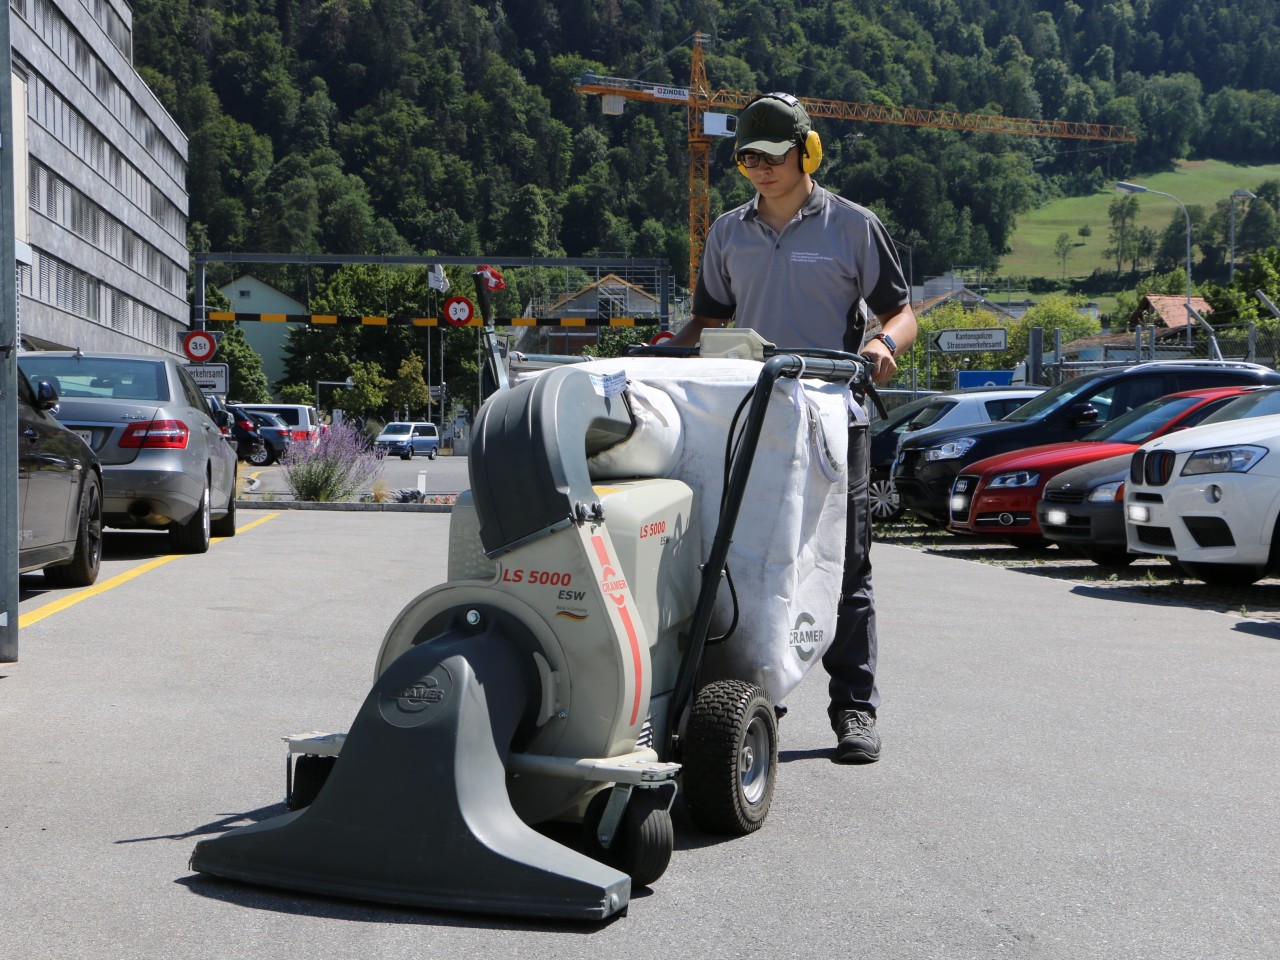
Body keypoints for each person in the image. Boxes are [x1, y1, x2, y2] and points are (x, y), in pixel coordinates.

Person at [669, 92, 918, 764]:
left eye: (773, 156)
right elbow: (708, 320)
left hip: (835, 419)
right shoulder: (728, 232)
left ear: (807, 152)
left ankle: (855, 710)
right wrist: (667, 348)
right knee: (746, 560)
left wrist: (884, 345)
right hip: (752, 422)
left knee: (846, 568)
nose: (760, 168)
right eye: (748, 157)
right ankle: (754, 698)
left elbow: (901, 313)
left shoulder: (853, 226)